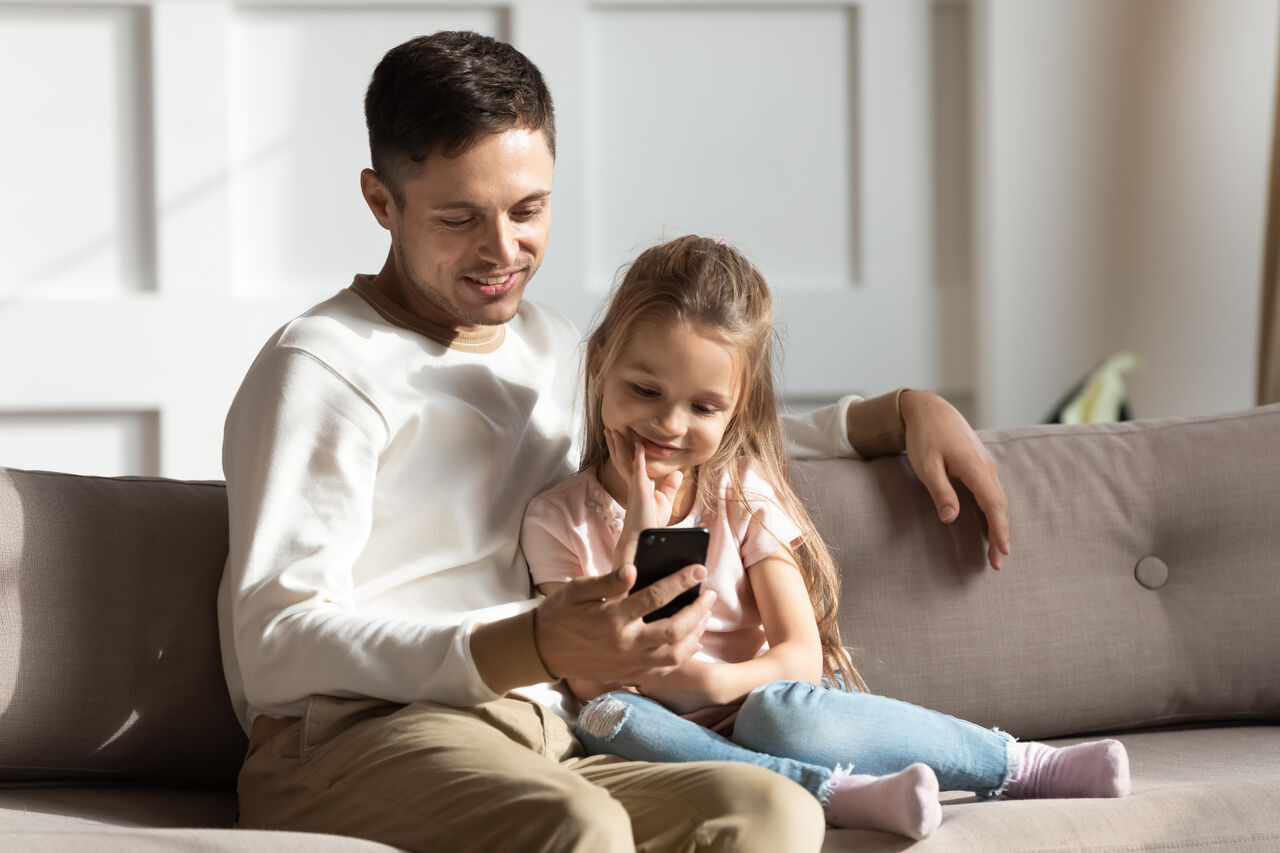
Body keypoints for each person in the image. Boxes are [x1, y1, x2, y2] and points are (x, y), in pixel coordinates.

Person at [218, 30, 1012, 853]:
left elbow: (689, 433)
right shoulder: (322, 369)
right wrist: (526, 642)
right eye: (459, 218)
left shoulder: (553, 346)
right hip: (353, 737)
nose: (502, 250)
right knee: (581, 824)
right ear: (382, 202)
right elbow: (275, 643)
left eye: (528, 210)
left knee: (775, 810)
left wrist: (895, 414)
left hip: (539, 728)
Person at [521, 235, 1130, 841]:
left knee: (772, 715)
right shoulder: (556, 520)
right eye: (646, 392)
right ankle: (836, 793)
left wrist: (712, 684)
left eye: (705, 407)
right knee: (606, 718)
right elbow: (591, 679)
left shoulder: (740, 491)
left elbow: (800, 656)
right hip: (661, 728)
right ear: (600, 362)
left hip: (763, 700)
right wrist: (639, 538)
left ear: (737, 409)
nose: (669, 424)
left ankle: (1020, 764)